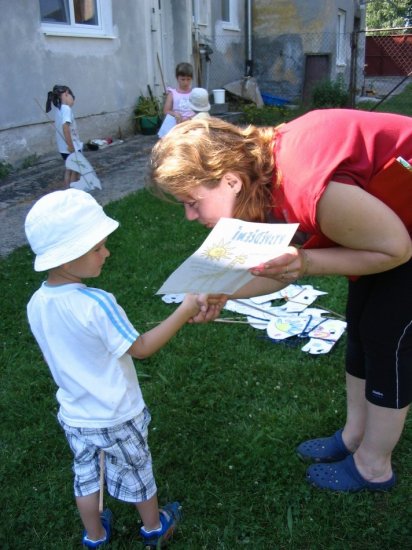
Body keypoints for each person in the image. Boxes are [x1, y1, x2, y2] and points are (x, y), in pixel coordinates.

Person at [148, 110, 412, 493]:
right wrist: (223, 290)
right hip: (391, 219)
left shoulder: (306, 186)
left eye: (192, 202)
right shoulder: (263, 174)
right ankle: (355, 436)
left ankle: (374, 466)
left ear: (230, 180)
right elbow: (273, 270)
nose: (190, 216)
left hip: (400, 235)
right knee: (361, 327)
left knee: (387, 338)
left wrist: (307, 262)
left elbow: (396, 249)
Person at [24, 189, 212, 547]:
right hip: (117, 414)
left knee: (86, 476)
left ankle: (94, 536)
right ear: (67, 257)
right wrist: (184, 310)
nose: (106, 252)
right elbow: (140, 348)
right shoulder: (98, 303)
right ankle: (154, 529)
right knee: (138, 471)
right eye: (97, 248)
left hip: (76, 414)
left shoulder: (37, 303)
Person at [45, 84, 83, 186]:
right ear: (66, 93)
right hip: (71, 146)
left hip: (63, 149)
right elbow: (65, 128)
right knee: (76, 170)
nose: (73, 102)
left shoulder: (59, 109)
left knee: (69, 169)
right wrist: (70, 146)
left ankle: (67, 191)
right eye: (72, 98)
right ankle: (74, 192)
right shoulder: (66, 109)